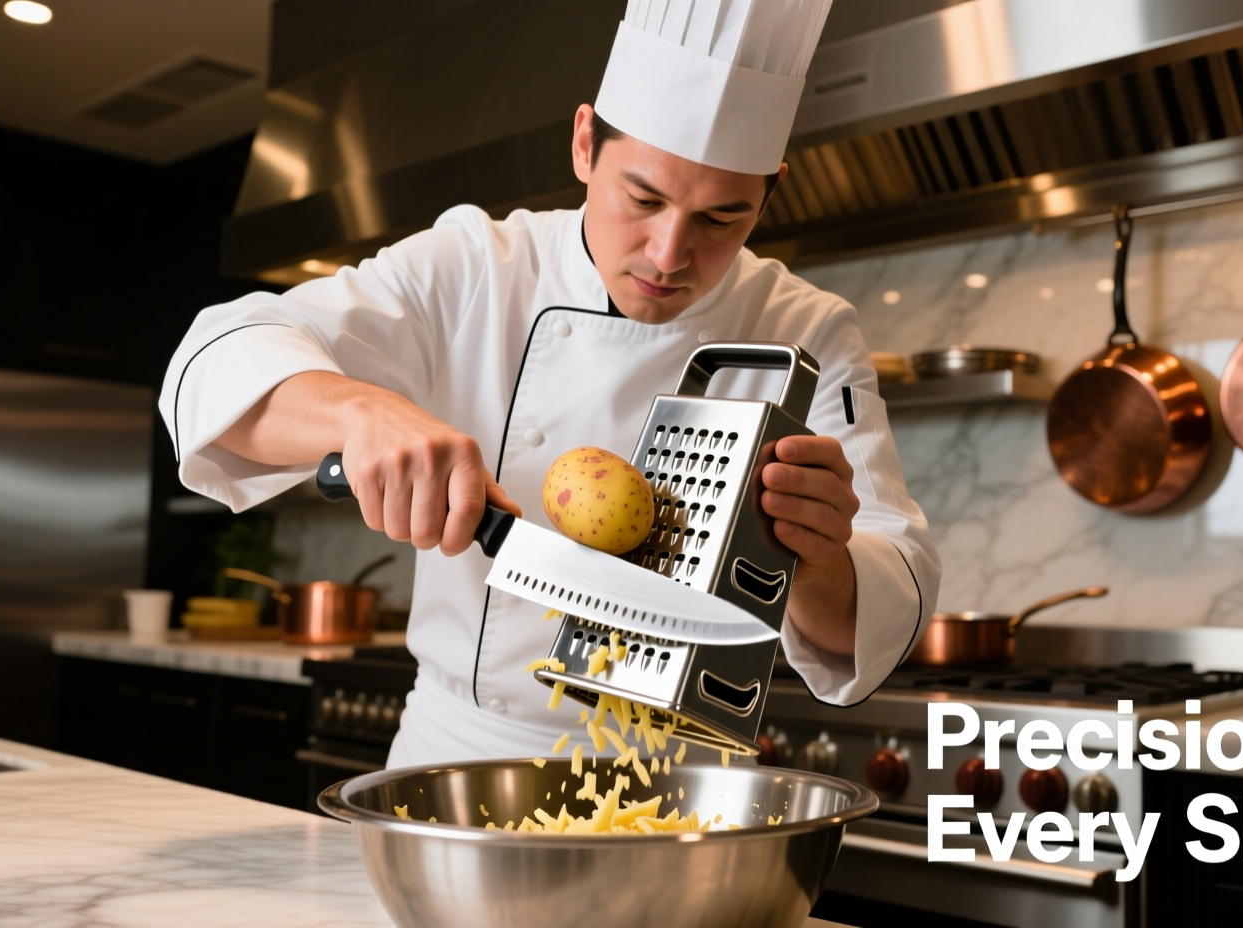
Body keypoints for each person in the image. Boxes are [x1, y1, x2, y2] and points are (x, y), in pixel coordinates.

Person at [162, 0, 941, 767]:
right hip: (458, 758)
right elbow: (215, 366)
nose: (669, 253)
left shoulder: (807, 327)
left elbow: (880, 612)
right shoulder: (476, 266)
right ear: (583, 145)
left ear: (772, 189)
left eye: (721, 219)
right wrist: (363, 412)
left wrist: (818, 559)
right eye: (644, 199)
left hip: (672, 786)